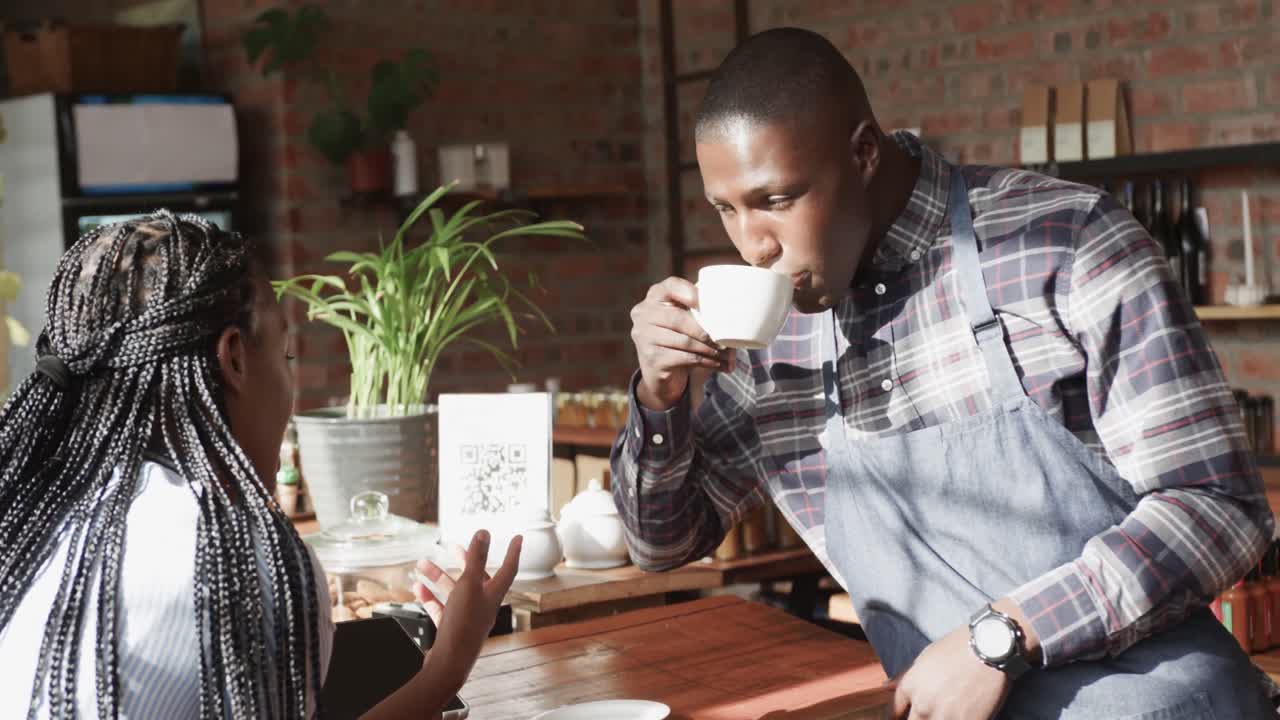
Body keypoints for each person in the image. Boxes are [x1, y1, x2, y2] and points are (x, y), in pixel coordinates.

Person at [614, 27, 1276, 719]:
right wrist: (660, 398)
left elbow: (1218, 509)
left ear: (864, 152)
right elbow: (664, 543)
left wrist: (1004, 636)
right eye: (728, 209)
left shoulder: (1066, 243)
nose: (755, 245)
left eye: (776, 199)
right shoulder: (770, 339)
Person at [0, 212, 520, 719]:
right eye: (286, 356)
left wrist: (442, 671)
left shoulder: (31, 513)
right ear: (236, 360)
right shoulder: (242, 562)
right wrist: (450, 664)